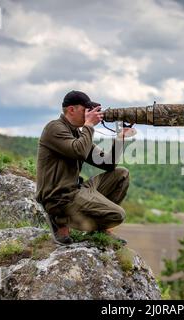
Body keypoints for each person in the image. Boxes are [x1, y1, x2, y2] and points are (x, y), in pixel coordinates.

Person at [35, 90, 136, 245]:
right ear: (71, 110)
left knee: (121, 174)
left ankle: (99, 229)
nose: (89, 114)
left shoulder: (78, 134)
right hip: (60, 198)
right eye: (85, 111)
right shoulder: (54, 128)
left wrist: (120, 137)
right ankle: (59, 218)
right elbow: (78, 150)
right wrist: (89, 125)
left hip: (76, 190)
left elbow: (108, 164)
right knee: (118, 215)